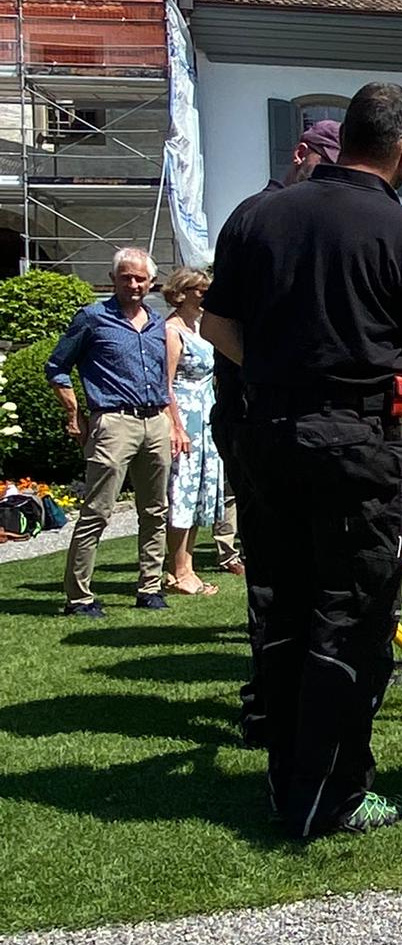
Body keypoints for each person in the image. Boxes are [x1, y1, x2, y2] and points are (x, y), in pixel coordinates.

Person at [202, 82, 402, 840]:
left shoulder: (258, 213)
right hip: (357, 443)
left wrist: (280, 369)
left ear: (339, 136)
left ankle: (288, 779)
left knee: (281, 606)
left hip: (272, 433)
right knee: (350, 615)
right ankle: (331, 795)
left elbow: (218, 322)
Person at [208, 116, 340, 725]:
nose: (332, 176)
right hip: (256, 413)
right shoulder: (257, 217)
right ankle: (270, 698)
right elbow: (219, 324)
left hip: (309, 414)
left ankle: (318, 680)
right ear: (300, 154)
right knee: (274, 563)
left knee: (327, 557)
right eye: (325, 161)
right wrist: (272, 375)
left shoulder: (324, 214)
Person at [46, 247, 189, 616]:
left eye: (140, 278)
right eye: (126, 277)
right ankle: (78, 596)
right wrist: (74, 412)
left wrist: (173, 423)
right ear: (113, 280)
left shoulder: (158, 323)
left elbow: (165, 379)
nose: (133, 284)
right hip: (113, 422)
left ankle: (150, 586)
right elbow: (57, 367)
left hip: (155, 421)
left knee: (156, 510)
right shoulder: (93, 319)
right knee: (97, 511)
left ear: (152, 282)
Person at [161, 266, 226, 596]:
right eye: (199, 290)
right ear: (181, 292)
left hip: (206, 416)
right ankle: (177, 571)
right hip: (185, 417)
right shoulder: (172, 331)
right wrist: (176, 425)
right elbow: (166, 384)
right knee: (181, 493)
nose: (205, 294)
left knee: (201, 492)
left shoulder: (201, 328)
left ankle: (187, 567)